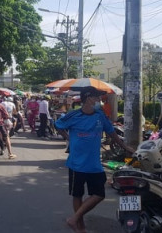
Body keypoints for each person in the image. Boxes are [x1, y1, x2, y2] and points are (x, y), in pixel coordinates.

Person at [55, 86, 133, 233]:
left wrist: (124, 147)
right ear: (89, 98)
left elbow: (111, 133)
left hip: (94, 164)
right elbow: (58, 125)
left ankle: (75, 218)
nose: (99, 100)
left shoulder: (100, 115)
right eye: (97, 97)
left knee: (99, 195)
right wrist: (68, 138)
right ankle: (81, 228)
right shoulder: (74, 115)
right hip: (76, 164)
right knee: (77, 194)